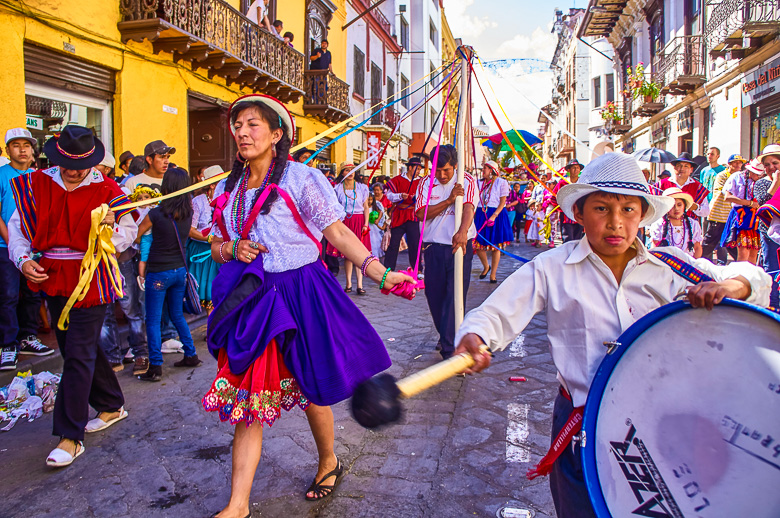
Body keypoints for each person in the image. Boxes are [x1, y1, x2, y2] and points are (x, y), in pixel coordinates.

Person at [453, 151, 771, 518]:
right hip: (580, 423)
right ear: (579, 214)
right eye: (602, 209)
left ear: (643, 215)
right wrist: (475, 336)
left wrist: (732, 285)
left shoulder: (671, 266)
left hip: (662, 428)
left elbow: (755, 279)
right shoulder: (553, 267)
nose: (616, 223)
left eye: (628, 211)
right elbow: (497, 311)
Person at [202, 94, 414, 516]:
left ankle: (328, 459)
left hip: (304, 290)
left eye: (252, 125)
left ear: (276, 134)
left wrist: (379, 272)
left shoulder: (302, 179)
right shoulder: (229, 187)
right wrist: (230, 248)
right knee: (248, 398)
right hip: (256, 298)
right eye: (238, 125)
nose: (242, 132)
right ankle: (238, 504)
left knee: (313, 387)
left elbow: (336, 233)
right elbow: (214, 246)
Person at [8, 125, 139, 467]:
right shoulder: (33, 185)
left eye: (82, 166)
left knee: (77, 353)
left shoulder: (108, 188)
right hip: (51, 276)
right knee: (75, 347)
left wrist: (108, 233)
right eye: (68, 164)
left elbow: (130, 229)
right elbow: (19, 228)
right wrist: (23, 262)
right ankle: (111, 404)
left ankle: (70, 435)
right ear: (56, 157)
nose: (76, 172)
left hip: (92, 278)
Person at [134, 167, 202, 382]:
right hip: (179, 271)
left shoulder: (155, 214)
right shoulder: (187, 212)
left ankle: (155, 366)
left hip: (158, 272)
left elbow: (136, 236)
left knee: (153, 320)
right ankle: (190, 354)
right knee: (177, 315)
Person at [415, 144, 476, 360]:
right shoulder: (425, 183)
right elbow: (421, 213)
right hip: (433, 247)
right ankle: (447, 335)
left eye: (447, 170)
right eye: (437, 170)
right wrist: (449, 200)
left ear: (455, 166)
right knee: (435, 295)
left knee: (455, 295)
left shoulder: (466, 180)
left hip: (459, 247)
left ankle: (450, 349)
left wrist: (462, 231)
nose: (441, 175)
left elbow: (469, 207)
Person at [0, 128, 52, 371]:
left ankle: (28, 337)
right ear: (8, 149)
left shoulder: (39, 177)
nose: (22, 149)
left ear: (33, 150)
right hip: (5, 246)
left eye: (26, 145)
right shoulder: (2, 175)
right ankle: (8, 344)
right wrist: (13, 242)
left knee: (32, 292)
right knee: (8, 295)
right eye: (16, 145)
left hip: (35, 247)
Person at [327, 163, 371, 295]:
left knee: (360, 252)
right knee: (348, 255)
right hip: (345, 221)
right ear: (342, 173)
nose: (350, 172)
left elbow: (366, 207)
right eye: (347, 170)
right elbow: (334, 206)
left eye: (353, 170)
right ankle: (348, 284)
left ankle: (360, 284)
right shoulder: (338, 188)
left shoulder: (362, 188)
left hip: (359, 221)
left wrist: (366, 223)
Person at [189, 165, 222, 309]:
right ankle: (211, 329)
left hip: (222, 251)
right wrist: (209, 238)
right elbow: (191, 230)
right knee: (208, 296)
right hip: (203, 253)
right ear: (212, 184)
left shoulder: (230, 198)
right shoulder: (198, 201)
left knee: (221, 294)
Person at [702, 154, 745, 263]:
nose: (738, 165)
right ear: (729, 164)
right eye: (735, 162)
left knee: (731, 242)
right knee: (710, 241)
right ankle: (701, 263)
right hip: (719, 214)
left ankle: (740, 263)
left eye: (740, 163)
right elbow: (723, 192)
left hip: (732, 216)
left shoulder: (741, 177)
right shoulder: (722, 175)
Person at [720, 158, 764, 265]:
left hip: (755, 219)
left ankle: (750, 279)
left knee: (754, 253)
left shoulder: (760, 181)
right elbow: (728, 197)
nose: (758, 177)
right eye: (757, 174)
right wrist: (749, 203)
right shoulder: (737, 177)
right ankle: (741, 278)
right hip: (742, 218)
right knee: (743, 253)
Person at [474, 161, 511, 283]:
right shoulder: (478, 183)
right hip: (480, 213)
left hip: (496, 214)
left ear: (492, 170)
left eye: (485, 168)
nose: (482, 170)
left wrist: (494, 216)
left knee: (496, 246)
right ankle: (486, 266)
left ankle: (493, 274)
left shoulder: (501, 182)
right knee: (477, 244)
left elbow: (502, 202)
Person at [384, 156, 423, 274]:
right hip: (400, 213)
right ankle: (388, 269)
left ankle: (418, 269)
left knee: (415, 244)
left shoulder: (421, 181)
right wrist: (400, 195)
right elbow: (389, 195)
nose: (418, 171)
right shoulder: (397, 180)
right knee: (394, 243)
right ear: (410, 168)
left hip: (413, 214)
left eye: (420, 169)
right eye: (417, 168)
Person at [756, 144, 780, 307]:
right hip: (769, 235)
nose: (771, 167)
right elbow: (762, 203)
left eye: (775, 163)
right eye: (767, 164)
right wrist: (776, 182)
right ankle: (773, 306)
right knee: (772, 268)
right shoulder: (761, 184)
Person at [649, 187, 703, 258]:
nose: (676, 208)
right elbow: (654, 248)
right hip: (666, 264)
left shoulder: (693, 224)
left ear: (684, 206)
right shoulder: (659, 224)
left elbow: (697, 247)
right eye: (672, 206)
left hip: (687, 264)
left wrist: (694, 265)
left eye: (679, 205)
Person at [658, 152, 709, 218]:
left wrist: (696, 207)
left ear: (691, 170)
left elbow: (706, 212)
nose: (682, 168)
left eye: (686, 166)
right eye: (679, 165)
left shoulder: (698, 187)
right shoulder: (662, 184)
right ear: (674, 168)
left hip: (690, 226)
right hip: (665, 225)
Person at [556, 159, 585, 242]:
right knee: (567, 239)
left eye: (577, 168)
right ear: (568, 170)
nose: (576, 170)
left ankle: (577, 254)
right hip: (566, 216)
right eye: (573, 168)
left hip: (580, 215)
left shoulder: (583, 183)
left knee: (578, 239)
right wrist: (561, 208)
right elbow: (554, 197)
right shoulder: (562, 183)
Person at [698, 147, 726, 228]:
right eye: (708, 154)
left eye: (712, 154)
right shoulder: (704, 171)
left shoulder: (722, 170)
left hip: (717, 203)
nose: (709, 156)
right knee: (704, 226)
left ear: (718, 156)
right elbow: (701, 186)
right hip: (705, 202)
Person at [369, 182, 391, 259]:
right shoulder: (370, 198)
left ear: (382, 190)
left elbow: (385, 210)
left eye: (378, 190)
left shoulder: (385, 198)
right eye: (375, 190)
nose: (376, 192)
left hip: (383, 221)